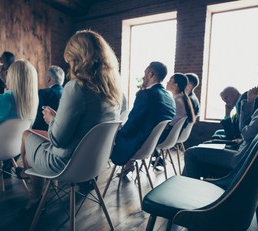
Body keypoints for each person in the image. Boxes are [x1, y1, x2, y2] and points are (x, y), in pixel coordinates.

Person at [20, 30, 122, 208]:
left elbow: (57, 140)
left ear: (79, 60)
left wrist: (52, 119)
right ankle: (29, 178)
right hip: (95, 163)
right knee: (34, 134)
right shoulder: (114, 92)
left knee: (26, 135)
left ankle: (35, 196)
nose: (70, 67)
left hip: (65, 164)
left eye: (70, 61)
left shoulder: (76, 88)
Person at [182, 52, 258, 179]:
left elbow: (246, 132)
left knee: (190, 153)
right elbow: (249, 130)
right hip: (245, 153)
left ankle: (189, 193)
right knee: (201, 148)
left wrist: (248, 104)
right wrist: (250, 102)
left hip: (241, 158)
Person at [110, 61, 176, 171]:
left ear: (150, 74)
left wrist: (117, 132)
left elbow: (132, 123)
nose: (143, 76)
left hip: (137, 144)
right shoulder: (168, 97)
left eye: (145, 73)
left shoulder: (146, 94)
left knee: (103, 137)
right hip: (151, 144)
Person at [32, 65, 65, 131]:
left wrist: (31, 129)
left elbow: (39, 118)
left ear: (48, 79)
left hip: (45, 133)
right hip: (63, 131)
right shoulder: (66, 92)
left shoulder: (43, 93)